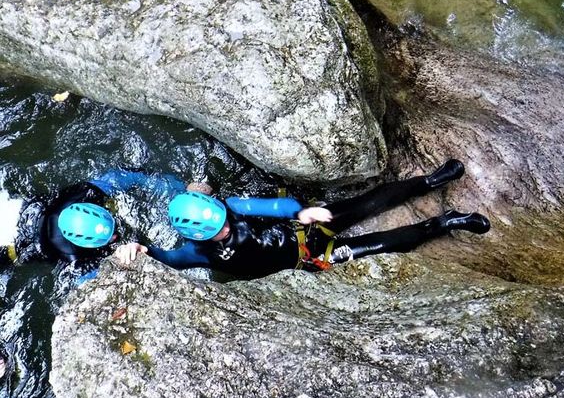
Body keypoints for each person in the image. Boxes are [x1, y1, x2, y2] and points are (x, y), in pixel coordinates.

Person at [117, 159, 490, 279]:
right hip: (306, 260)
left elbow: (270, 209)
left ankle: (429, 180)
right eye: (220, 229)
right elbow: (170, 260)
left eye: (222, 219)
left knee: (362, 205)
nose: (227, 225)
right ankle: (444, 223)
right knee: (378, 245)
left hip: (302, 229)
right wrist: (141, 249)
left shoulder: (228, 205)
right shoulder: (199, 252)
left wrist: (301, 211)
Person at [4, 169, 186, 265]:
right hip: (14, 240)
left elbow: (127, 177)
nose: (116, 236)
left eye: (113, 228)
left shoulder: (87, 193)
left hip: (27, 209)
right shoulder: (73, 258)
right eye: (111, 237)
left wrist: (177, 191)